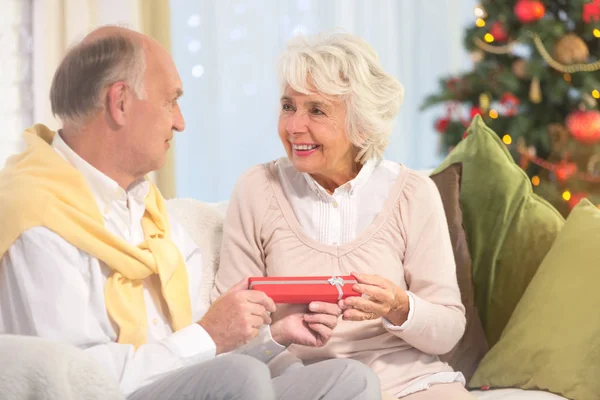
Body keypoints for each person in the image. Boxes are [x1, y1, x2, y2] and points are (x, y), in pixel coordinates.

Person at [0, 26, 381, 400]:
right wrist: (209, 335)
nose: (179, 122)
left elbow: (200, 351)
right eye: (170, 101)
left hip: (185, 379)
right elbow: (74, 380)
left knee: (349, 379)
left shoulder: (147, 208)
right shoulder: (36, 216)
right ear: (120, 103)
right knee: (240, 375)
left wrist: (274, 336)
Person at [212, 32, 475, 399]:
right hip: (304, 385)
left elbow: (448, 328)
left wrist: (399, 306)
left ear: (362, 124)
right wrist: (281, 334)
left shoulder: (413, 193)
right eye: (289, 106)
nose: (293, 127)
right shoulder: (257, 189)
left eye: (316, 110)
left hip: (411, 384)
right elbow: (228, 328)